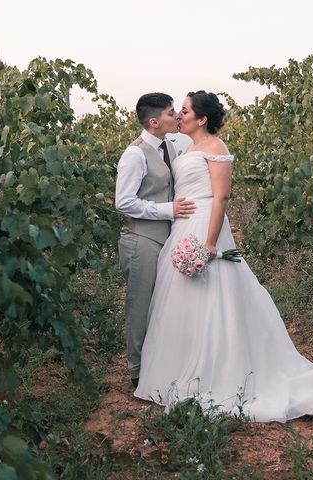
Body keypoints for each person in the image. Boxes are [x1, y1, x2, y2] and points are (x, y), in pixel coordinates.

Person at [134, 91, 313, 422]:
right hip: (184, 226)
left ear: (202, 120)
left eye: (184, 111)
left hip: (206, 226)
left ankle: (219, 373)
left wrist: (210, 243)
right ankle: (176, 372)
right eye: (177, 111)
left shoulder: (216, 148)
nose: (179, 116)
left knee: (216, 297)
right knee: (181, 301)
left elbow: (221, 197)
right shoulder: (186, 148)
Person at [115, 93, 196, 388]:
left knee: (162, 305)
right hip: (141, 240)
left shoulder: (170, 147)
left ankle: (158, 366)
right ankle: (136, 374)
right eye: (171, 113)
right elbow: (123, 202)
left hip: (166, 239)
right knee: (139, 307)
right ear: (154, 121)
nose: (177, 117)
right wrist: (167, 210)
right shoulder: (134, 155)